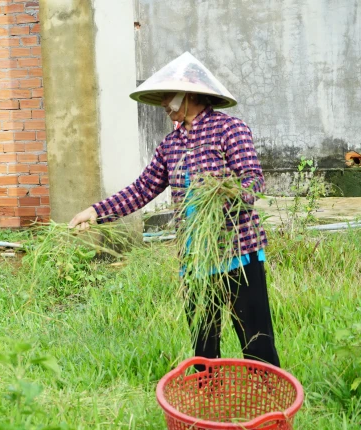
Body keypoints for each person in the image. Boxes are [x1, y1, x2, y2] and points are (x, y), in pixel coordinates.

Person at [69, 52, 280, 369]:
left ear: (191, 94)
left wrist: (226, 189)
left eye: (170, 96)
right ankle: (206, 400)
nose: (165, 104)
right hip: (195, 257)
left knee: (256, 339)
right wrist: (96, 212)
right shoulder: (170, 146)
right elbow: (142, 189)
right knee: (202, 344)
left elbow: (253, 182)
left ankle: (268, 402)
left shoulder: (230, 130)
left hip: (239, 250)